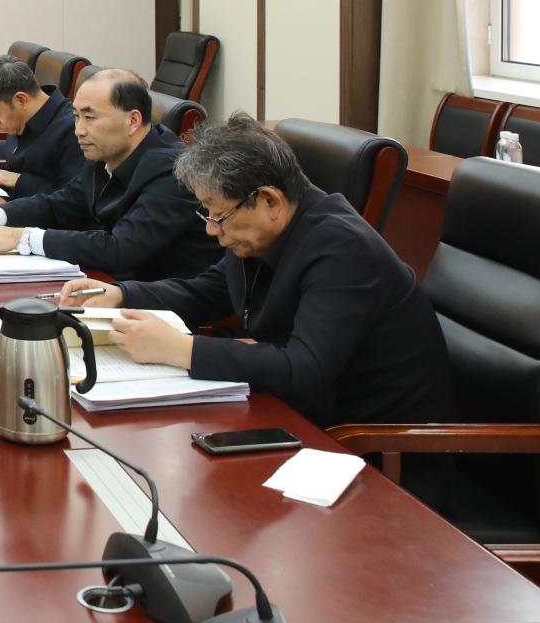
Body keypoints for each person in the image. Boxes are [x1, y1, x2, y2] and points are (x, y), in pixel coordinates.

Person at [58, 113, 456, 437]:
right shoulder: (264, 230)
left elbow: (305, 370)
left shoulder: (344, 250)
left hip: (371, 449)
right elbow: (211, 290)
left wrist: (182, 349)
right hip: (297, 415)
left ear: (269, 200)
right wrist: (121, 295)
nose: (211, 229)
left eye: (218, 215)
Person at [0, 70, 219, 281]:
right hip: (117, 284)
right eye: (76, 117)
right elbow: (62, 204)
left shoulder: (172, 171)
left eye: (90, 118)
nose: (79, 130)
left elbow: (121, 249)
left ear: (132, 121)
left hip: (166, 303)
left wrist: (20, 238)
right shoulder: (105, 153)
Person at [0, 54, 84, 195]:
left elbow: (72, 199)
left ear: (21, 100)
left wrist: (17, 180)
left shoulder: (73, 130)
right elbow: (18, 172)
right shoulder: (21, 119)